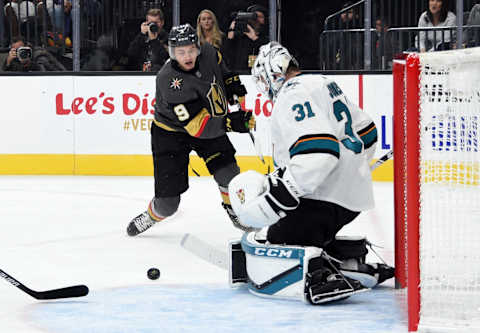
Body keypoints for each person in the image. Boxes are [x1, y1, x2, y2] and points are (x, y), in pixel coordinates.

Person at [227, 42, 394, 304]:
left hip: (323, 196)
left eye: (262, 78)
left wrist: (286, 191)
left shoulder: (291, 95)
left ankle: (320, 276)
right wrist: (353, 166)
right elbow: (368, 132)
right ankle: (351, 260)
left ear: (275, 71)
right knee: (304, 231)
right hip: (352, 196)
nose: (264, 86)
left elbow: (319, 151)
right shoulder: (322, 82)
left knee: (280, 242)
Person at [126, 23, 254, 237]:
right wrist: (231, 123)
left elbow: (222, 69)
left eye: (191, 50)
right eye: (180, 52)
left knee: (230, 175)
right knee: (168, 205)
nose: (187, 56)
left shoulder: (210, 52)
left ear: (198, 47)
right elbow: (197, 127)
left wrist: (232, 85)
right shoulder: (168, 81)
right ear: (171, 52)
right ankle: (152, 214)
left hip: (208, 122)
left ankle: (235, 211)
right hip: (171, 134)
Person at [224, 4, 269, 71]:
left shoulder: (266, 38)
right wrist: (231, 30)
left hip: (258, 74)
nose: (257, 19)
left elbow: (267, 52)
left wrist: (254, 38)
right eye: (255, 16)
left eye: (260, 17)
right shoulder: (240, 36)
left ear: (264, 20)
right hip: (239, 73)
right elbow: (227, 52)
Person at [127, 8, 169, 72]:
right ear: (146, 23)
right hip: (142, 74)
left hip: (160, 74)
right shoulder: (142, 37)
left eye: (156, 22)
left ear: (162, 22)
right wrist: (141, 34)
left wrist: (154, 41)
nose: (153, 25)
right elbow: (131, 54)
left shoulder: (168, 38)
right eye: (150, 23)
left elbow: (164, 57)